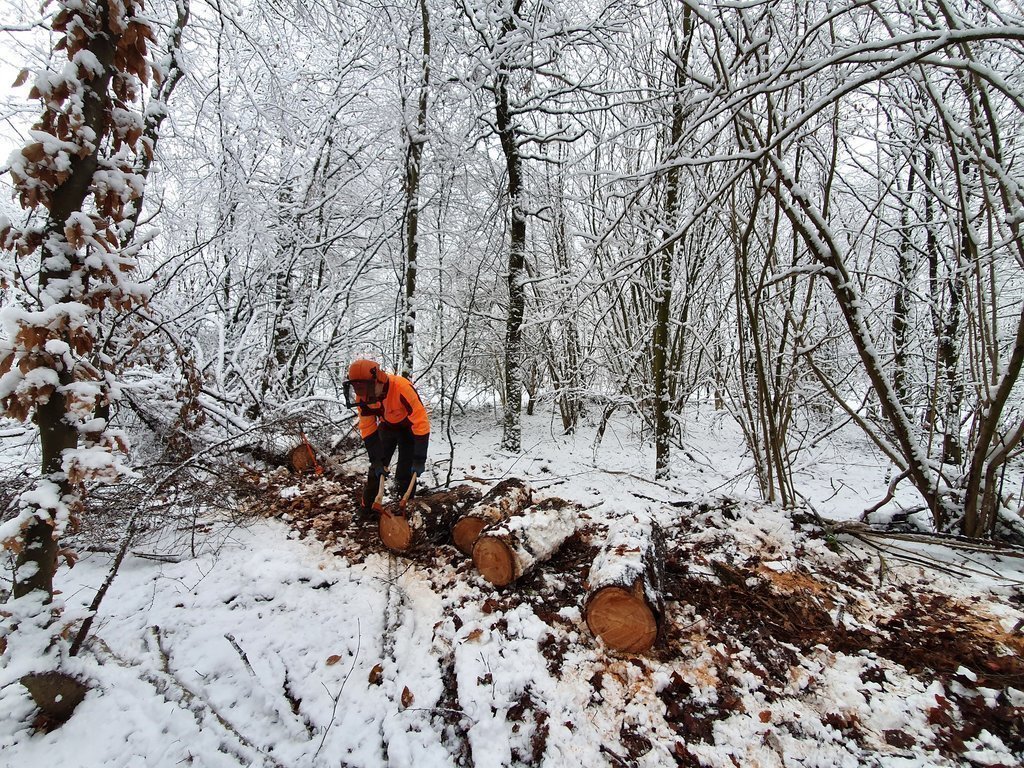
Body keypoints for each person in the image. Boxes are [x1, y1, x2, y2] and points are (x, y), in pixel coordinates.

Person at [344, 359, 430, 514]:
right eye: (359, 389)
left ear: (378, 380)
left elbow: (421, 422)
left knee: (405, 472)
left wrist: (419, 458)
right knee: (376, 471)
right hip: (387, 427)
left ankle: (405, 509)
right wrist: (376, 460)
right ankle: (367, 508)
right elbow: (367, 426)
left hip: (408, 428)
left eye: (367, 388)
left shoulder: (402, 388)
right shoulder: (363, 396)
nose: (364, 395)